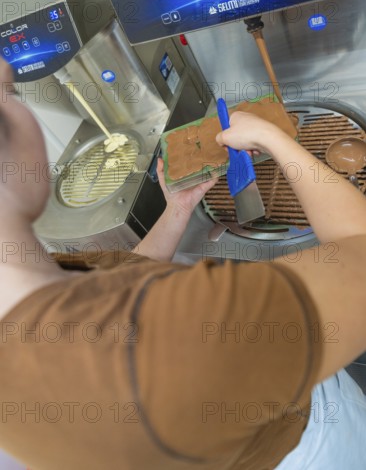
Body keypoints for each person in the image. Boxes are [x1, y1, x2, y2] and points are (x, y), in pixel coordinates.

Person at [0, 54, 365, 470]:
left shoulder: (39, 291)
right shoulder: (183, 337)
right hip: (309, 443)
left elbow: (115, 283)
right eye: (10, 96)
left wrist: (178, 210)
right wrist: (274, 139)